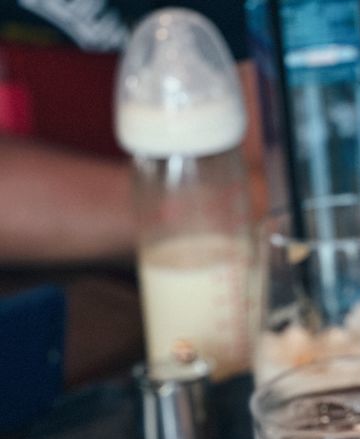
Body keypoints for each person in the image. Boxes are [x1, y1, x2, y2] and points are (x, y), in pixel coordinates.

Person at [0, 0, 259, 264]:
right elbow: (243, 202)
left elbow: (263, 187)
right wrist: (188, 210)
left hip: (197, 271)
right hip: (70, 280)